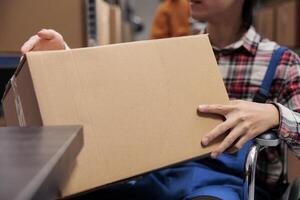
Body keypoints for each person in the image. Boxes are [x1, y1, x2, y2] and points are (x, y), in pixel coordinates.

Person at [21, 0, 300, 199]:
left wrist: (274, 114)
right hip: (162, 174)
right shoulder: (176, 53)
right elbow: (113, 98)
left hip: (230, 184)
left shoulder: (280, 62)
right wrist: (62, 59)